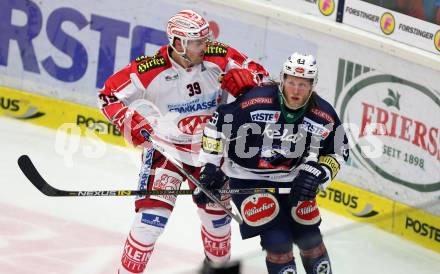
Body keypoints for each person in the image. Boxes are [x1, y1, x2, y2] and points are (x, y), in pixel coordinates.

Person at [97, 10, 269, 274]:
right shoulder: (148, 70)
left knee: (218, 231)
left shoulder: (219, 57)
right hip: (166, 153)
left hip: (211, 154)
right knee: (148, 225)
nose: (205, 46)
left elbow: (262, 78)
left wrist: (252, 87)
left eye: (205, 40)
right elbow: (108, 96)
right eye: (198, 42)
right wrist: (128, 120)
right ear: (178, 43)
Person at [196, 52, 349, 274]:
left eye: (303, 84)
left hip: (293, 180)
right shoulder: (256, 101)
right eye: (292, 82)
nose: (296, 90)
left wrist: (318, 175)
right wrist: (209, 166)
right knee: (279, 246)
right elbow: (216, 124)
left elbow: (339, 150)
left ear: (312, 85)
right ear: (282, 80)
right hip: (248, 179)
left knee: (311, 242)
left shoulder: (322, 114)